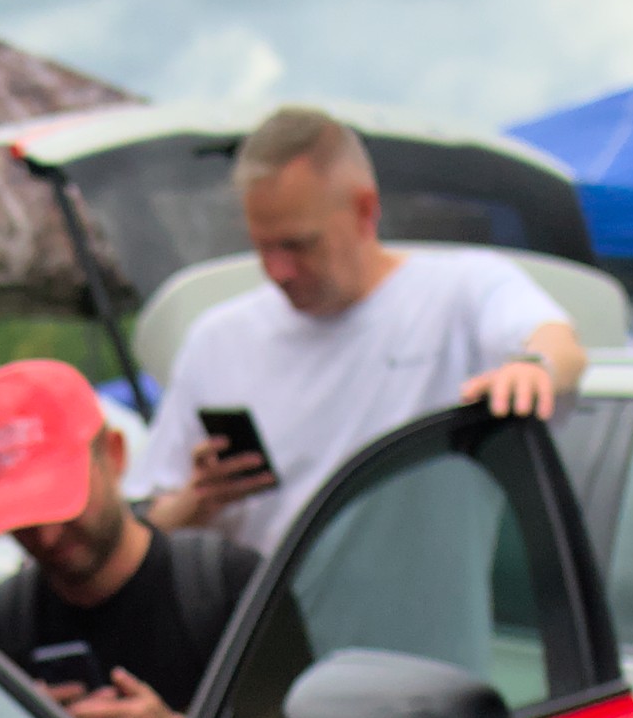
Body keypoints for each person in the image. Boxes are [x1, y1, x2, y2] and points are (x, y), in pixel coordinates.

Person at [139, 105, 584, 549]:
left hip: (423, 599)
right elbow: (147, 527)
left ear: (365, 210)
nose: (278, 270)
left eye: (298, 245)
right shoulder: (216, 341)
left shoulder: (459, 291)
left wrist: (532, 368)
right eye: (263, 247)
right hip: (269, 595)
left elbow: (560, 346)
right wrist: (197, 502)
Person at [0, 355, 244, 718]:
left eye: (61, 503)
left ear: (114, 455)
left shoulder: (225, 587)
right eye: (22, 519)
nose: (48, 537)